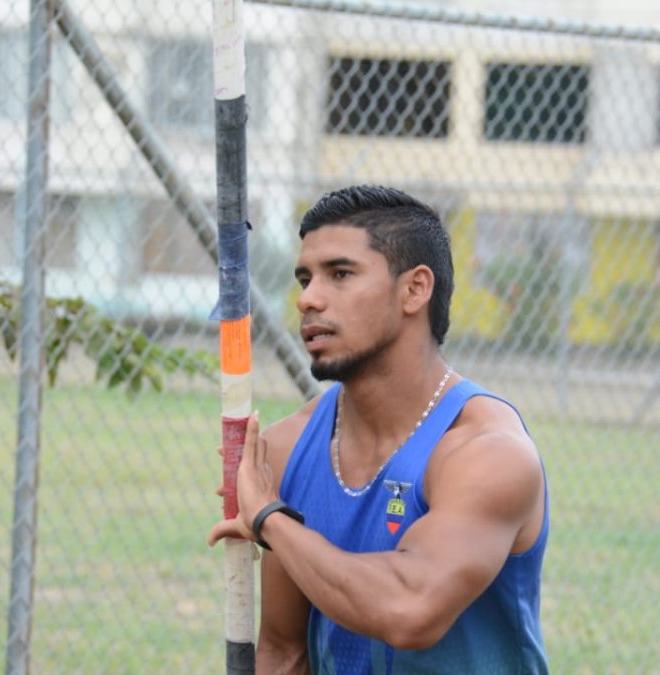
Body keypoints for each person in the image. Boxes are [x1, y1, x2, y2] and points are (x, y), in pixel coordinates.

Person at [208, 185, 549, 674]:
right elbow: (285, 652)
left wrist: (270, 518)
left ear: (414, 289)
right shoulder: (287, 449)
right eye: (304, 279)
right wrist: (273, 516)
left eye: (340, 274)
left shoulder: (486, 452)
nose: (308, 299)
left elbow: (411, 609)